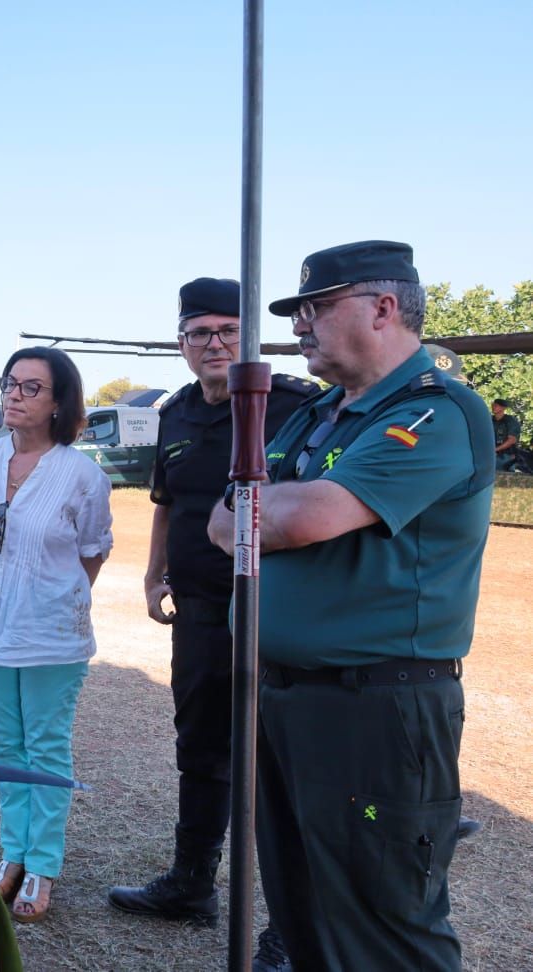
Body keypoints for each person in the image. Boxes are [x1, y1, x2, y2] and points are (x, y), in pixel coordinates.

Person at [207, 240, 493, 970]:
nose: (300, 325)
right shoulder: (322, 413)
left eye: (316, 307)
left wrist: (266, 509)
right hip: (287, 701)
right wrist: (261, 509)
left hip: (376, 709)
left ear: (384, 307)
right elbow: (222, 519)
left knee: (387, 926)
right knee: (305, 915)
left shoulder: (438, 413)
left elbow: (301, 517)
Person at [106, 278, 313, 967]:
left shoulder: (290, 407)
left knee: (278, 761)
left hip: (272, 611)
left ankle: (285, 927)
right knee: (200, 747)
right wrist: (152, 571)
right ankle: (191, 884)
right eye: (201, 333)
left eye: (228, 331)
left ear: (248, 338)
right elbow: (166, 501)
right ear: (182, 344)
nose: (214, 344)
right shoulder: (178, 413)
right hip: (197, 610)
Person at [0, 347, 111, 923]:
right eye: (10, 384)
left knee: (45, 748)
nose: (15, 397)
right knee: (5, 748)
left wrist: (52, 597)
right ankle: (13, 853)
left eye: (31, 388)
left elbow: (93, 550)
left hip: (50, 634)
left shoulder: (82, 474)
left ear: (57, 403)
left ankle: (42, 863)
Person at [492, 398, 522, 471]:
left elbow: (512, 440)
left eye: (496, 405)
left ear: (503, 408)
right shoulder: (490, 420)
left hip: (506, 456)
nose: (493, 407)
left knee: (505, 478)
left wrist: (495, 449)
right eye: (493, 405)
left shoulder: (510, 421)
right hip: (492, 455)